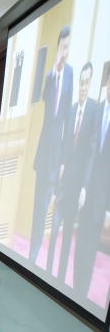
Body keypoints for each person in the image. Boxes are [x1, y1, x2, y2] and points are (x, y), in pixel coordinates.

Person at [47, 63, 98, 281]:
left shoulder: (94, 111)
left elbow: (92, 152)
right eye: (81, 83)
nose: (83, 87)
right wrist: (58, 171)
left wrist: (84, 186)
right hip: (63, 184)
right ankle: (48, 271)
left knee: (67, 234)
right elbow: (63, 145)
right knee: (54, 230)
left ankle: (59, 278)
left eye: (87, 83)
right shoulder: (71, 109)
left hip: (78, 187)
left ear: (91, 83)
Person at [30, 26, 74, 264]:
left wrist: (65, 160)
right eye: (63, 47)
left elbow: (68, 117)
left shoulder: (71, 74)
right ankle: (34, 251)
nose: (65, 51)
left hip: (60, 156)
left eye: (68, 47)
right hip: (44, 152)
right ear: (58, 47)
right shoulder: (51, 76)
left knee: (55, 206)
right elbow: (45, 99)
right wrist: (54, 70)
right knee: (39, 205)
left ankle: (48, 256)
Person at [72, 64, 110, 301]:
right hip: (85, 192)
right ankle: (77, 290)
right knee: (81, 246)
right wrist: (83, 186)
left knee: (91, 249)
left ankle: (83, 297)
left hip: (103, 199)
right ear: (106, 85)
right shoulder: (95, 110)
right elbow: (86, 152)